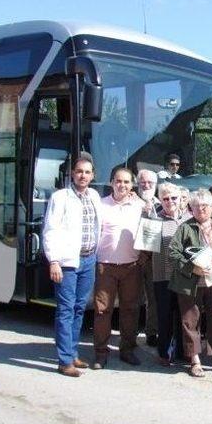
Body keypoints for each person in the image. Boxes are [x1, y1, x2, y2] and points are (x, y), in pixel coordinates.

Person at [168, 189, 212, 377]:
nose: (201, 209)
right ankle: (195, 360)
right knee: (190, 322)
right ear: (191, 208)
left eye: (205, 206)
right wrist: (193, 268)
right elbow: (173, 254)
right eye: (197, 206)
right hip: (191, 285)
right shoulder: (185, 228)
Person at [43, 153, 102, 377]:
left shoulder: (95, 196)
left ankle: (73, 352)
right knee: (66, 310)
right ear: (72, 174)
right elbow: (50, 230)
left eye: (87, 172)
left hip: (88, 259)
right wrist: (54, 261)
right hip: (67, 262)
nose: (83, 176)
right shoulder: (61, 197)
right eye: (79, 172)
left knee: (79, 308)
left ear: (92, 175)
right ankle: (64, 360)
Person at [92, 167, 145, 369]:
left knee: (130, 310)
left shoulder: (139, 206)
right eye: (118, 181)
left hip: (131, 266)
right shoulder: (101, 205)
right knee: (102, 311)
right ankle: (100, 353)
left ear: (132, 185)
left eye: (126, 182)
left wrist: (144, 257)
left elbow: (151, 226)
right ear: (111, 182)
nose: (122, 185)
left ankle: (127, 350)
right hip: (105, 266)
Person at [151, 183, 188, 366]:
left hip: (185, 277)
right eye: (165, 198)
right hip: (162, 276)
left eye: (173, 197)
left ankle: (183, 352)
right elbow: (145, 246)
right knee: (164, 316)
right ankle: (163, 353)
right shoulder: (154, 220)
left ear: (181, 198)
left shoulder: (189, 219)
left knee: (184, 315)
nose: (170, 201)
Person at [136, 168, 160, 347]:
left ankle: (151, 332)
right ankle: (129, 333)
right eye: (143, 182)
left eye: (150, 183)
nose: (146, 185)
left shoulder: (161, 205)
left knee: (153, 298)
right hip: (133, 258)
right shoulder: (130, 201)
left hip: (153, 259)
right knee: (131, 298)